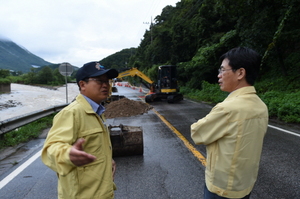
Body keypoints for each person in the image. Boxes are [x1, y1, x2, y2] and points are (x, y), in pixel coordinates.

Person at [191, 47, 268, 199]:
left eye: (222, 70)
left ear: (240, 73)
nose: (219, 76)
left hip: (222, 188)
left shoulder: (227, 109)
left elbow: (197, 133)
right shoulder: (261, 106)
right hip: (245, 185)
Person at [41, 61, 119, 199]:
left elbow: (94, 147)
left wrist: (107, 160)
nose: (106, 85)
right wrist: (67, 154)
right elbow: (51, 148)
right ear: (82, 85)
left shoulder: (97, 111)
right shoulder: (71, 113)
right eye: (99, 81)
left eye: (107, 81)